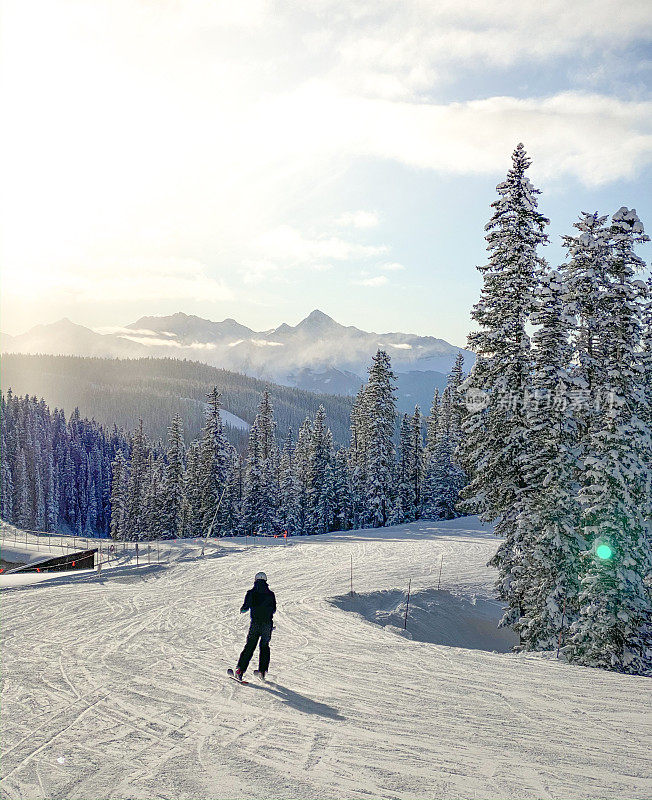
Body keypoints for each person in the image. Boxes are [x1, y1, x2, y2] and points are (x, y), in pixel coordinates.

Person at [235, 571, 276, 681]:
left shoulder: (251, 593)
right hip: (267, 624)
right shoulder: (271, 594)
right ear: (266, 581)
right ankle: (262, 672)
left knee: (250, 646)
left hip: (256, 623)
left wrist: (244, 609)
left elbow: (245, 607)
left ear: (255, 580)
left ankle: (240, 670)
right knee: (264, 646)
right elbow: (274, 609)